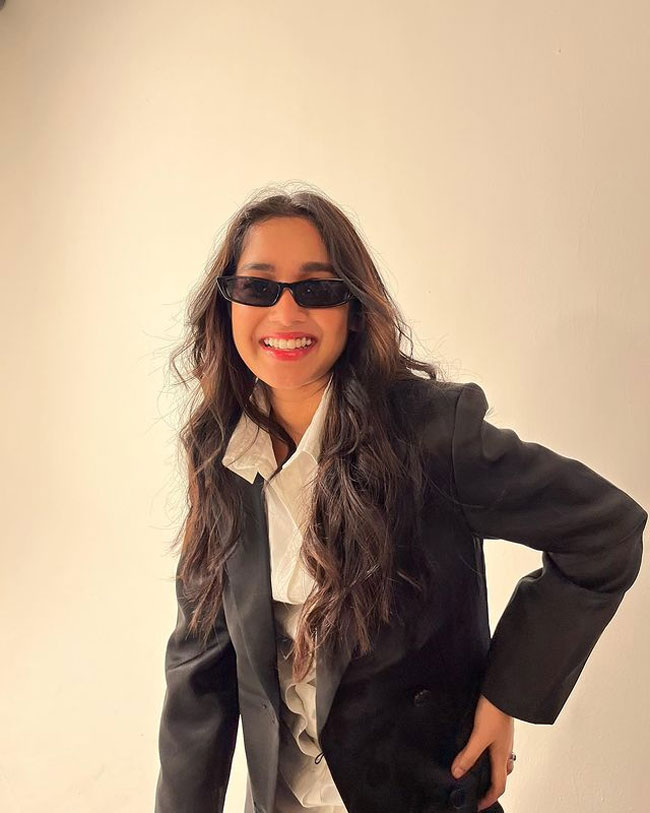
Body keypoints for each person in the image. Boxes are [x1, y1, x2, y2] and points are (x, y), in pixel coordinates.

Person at [153, 186, 647, 813]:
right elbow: (200, 668)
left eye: (317, 289)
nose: (285, 311)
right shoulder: (218, 450)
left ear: (355, 310)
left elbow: (604, 531)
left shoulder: (433, 434)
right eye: (257, 287)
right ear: (226, 305)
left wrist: (506, 693)